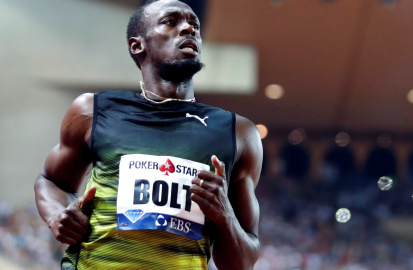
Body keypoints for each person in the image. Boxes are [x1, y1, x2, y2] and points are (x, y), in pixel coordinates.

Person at [34, 0, 262, 269]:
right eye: (171, 21)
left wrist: (225, 216)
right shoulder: (92, 111)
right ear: (137, 45)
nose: (189, 28)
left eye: (194, 25)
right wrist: (57, 215)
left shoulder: (238, 133)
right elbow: (51, 181)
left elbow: (241, 262)